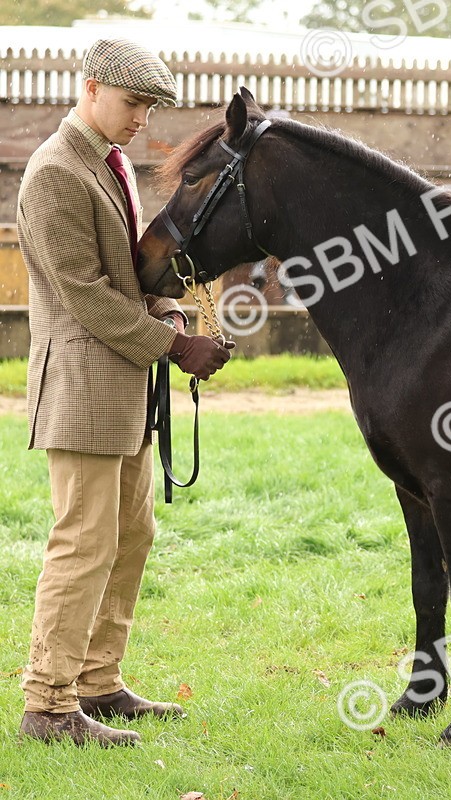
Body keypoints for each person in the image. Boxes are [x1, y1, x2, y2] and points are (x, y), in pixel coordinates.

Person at [16, 38, 234, 747]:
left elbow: (126, 281)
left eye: (149, 107)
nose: (142, 118)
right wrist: (177, 344)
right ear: (91, 89)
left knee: (131, 534)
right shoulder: (55, 171)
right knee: (82, 543)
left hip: (122, 385)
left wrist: (172, 306)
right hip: (81, 385)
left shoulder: (109, 166)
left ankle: (97, 684)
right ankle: (47, 706)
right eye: (134, 102)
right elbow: (86, 296)